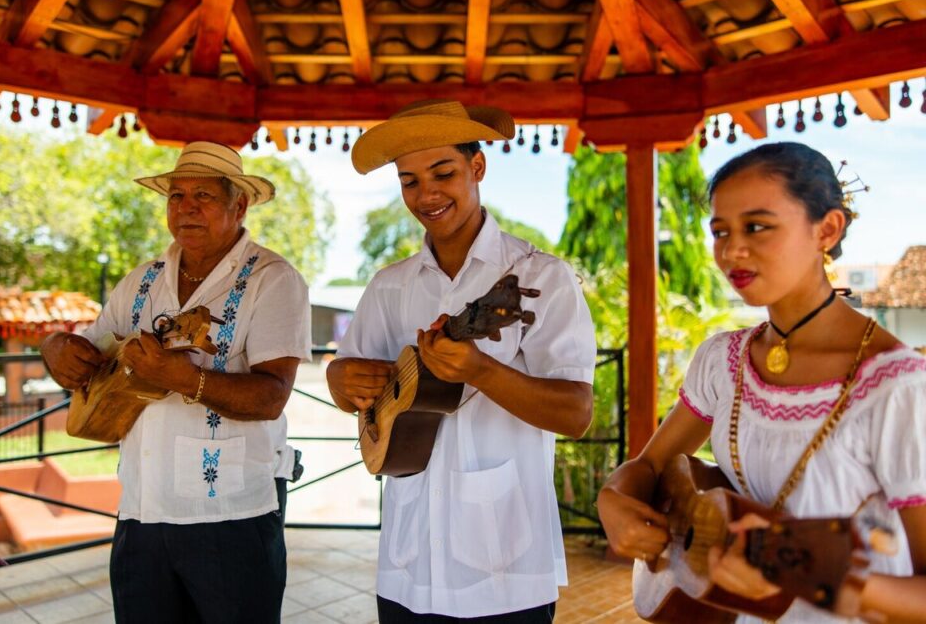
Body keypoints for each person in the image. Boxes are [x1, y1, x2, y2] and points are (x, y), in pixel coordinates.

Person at [596, 142, 926, 623]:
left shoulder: (897, 388)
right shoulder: (722, 361)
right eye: (719, 231)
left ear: (827, 229)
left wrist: (825, 583)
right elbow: (649, 466)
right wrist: (613, 499)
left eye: (757, 227)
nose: (732, 250)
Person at [327, 99, 597, 622]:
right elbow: (350, 386)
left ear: (477, 168)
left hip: (506, 563)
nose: (426, 194)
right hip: (406, 559)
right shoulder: (390, 285)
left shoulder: (539, 277)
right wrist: (342, 379)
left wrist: (481, 370)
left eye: (443, 172)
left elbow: (576, 414)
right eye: (409, 181)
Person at [41, 141, 311, 623]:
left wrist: (186, 379)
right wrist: (55, 348)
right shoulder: (141, 281)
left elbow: (272, 396)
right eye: (176, 196)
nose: (186, 207)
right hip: (141, 510)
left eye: (203, 195)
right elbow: (86, 351)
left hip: (232, 514)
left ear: (239, 204)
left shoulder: (273, 279)